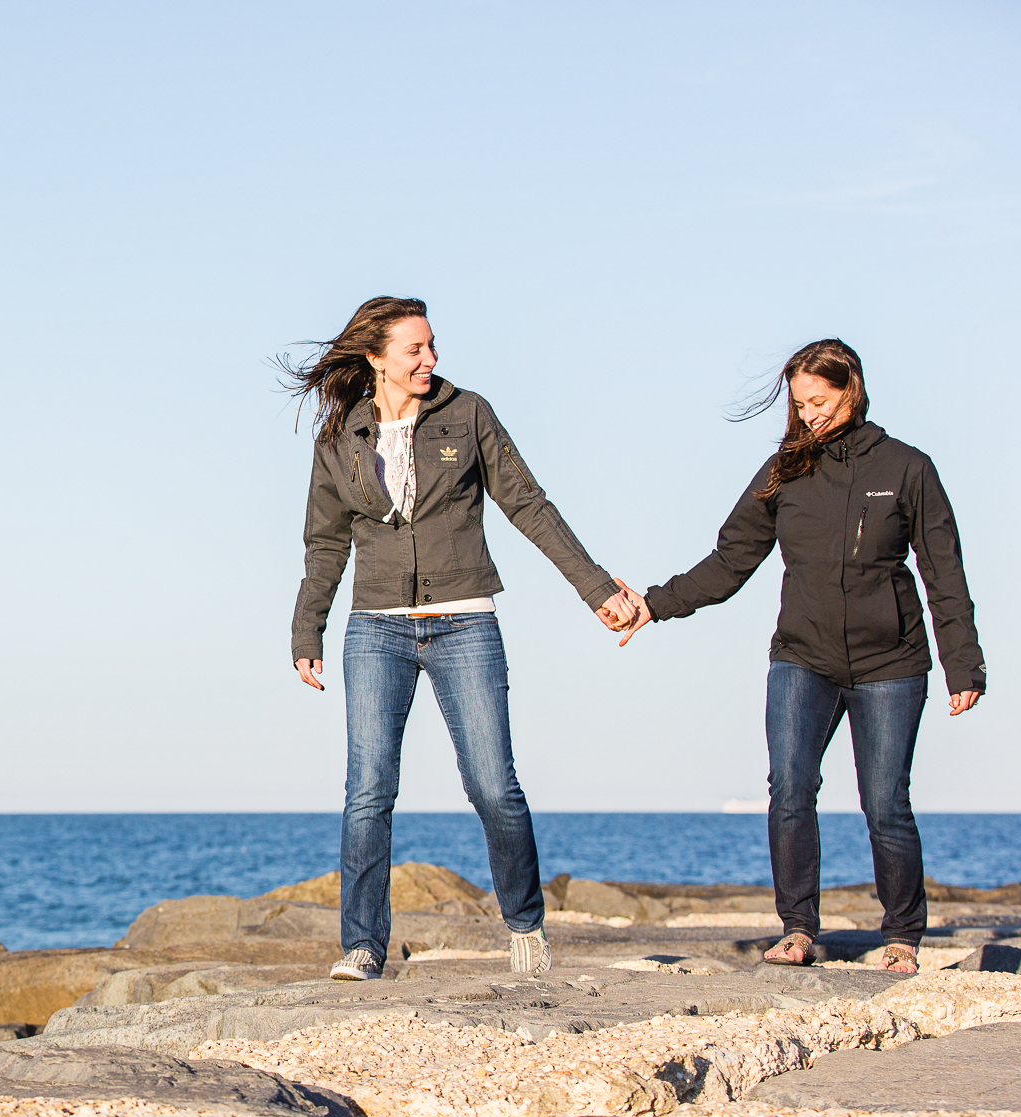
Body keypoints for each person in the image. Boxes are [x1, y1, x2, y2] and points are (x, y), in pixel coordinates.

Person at [286, 296, 636, 982]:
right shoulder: (340, 438)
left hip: (466, 619)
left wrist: (596, 589)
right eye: (414, 349)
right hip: (376, 627)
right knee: (368, 790)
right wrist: (308, 626)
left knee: (491, 785)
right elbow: (324, 544)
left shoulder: (467, 413)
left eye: (431, 346)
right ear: (376, 357)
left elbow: (528, 504)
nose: (429, 360)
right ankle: (362, 946)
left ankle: (525, 927)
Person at [611, 339, 985, 973]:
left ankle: (901, 936)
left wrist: (963, 663)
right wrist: (653, 604)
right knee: (788, 788)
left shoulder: (907, 469)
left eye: (820, 400)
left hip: (891, 663)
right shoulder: (784, 471)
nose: (809, 413)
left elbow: (942, 573)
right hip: (802, 656)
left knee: (885, 802)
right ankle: (798, 928)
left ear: (852, 389)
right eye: (800, 403)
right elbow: (730, 562)